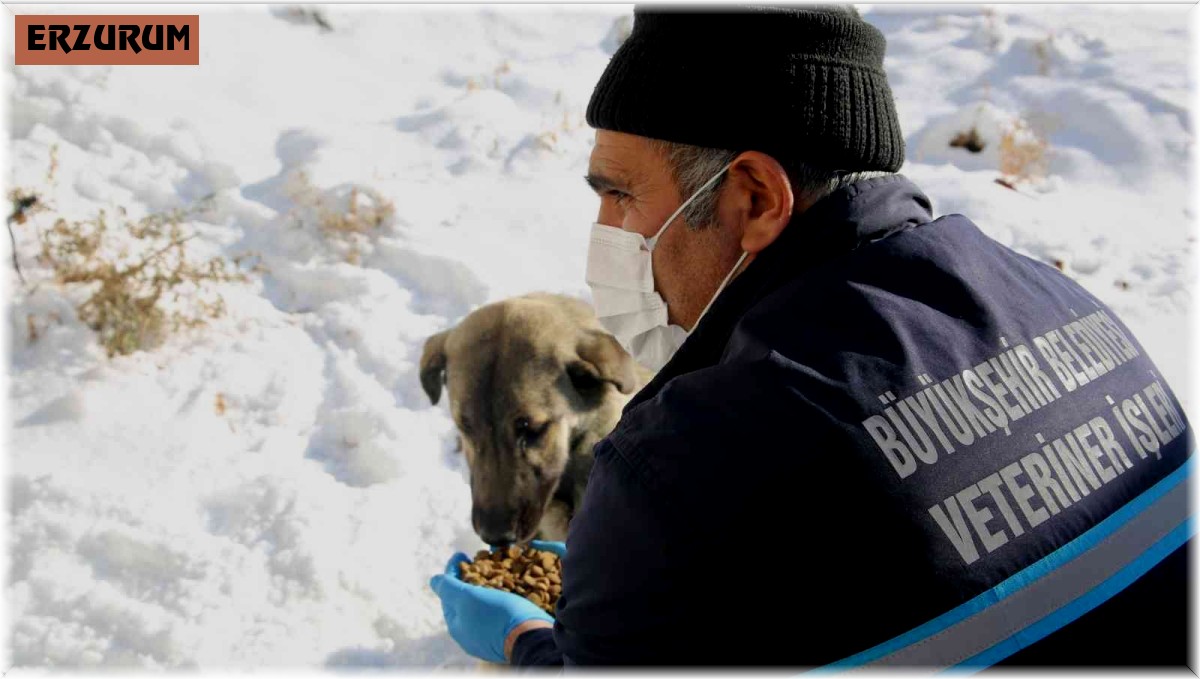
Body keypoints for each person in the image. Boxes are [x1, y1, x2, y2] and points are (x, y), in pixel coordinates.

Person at [430, 5, 1193, 668]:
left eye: (621, 194)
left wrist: (531, 642)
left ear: (756, 197)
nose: (606, 234)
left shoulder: (676, 473)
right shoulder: (1066, 305)